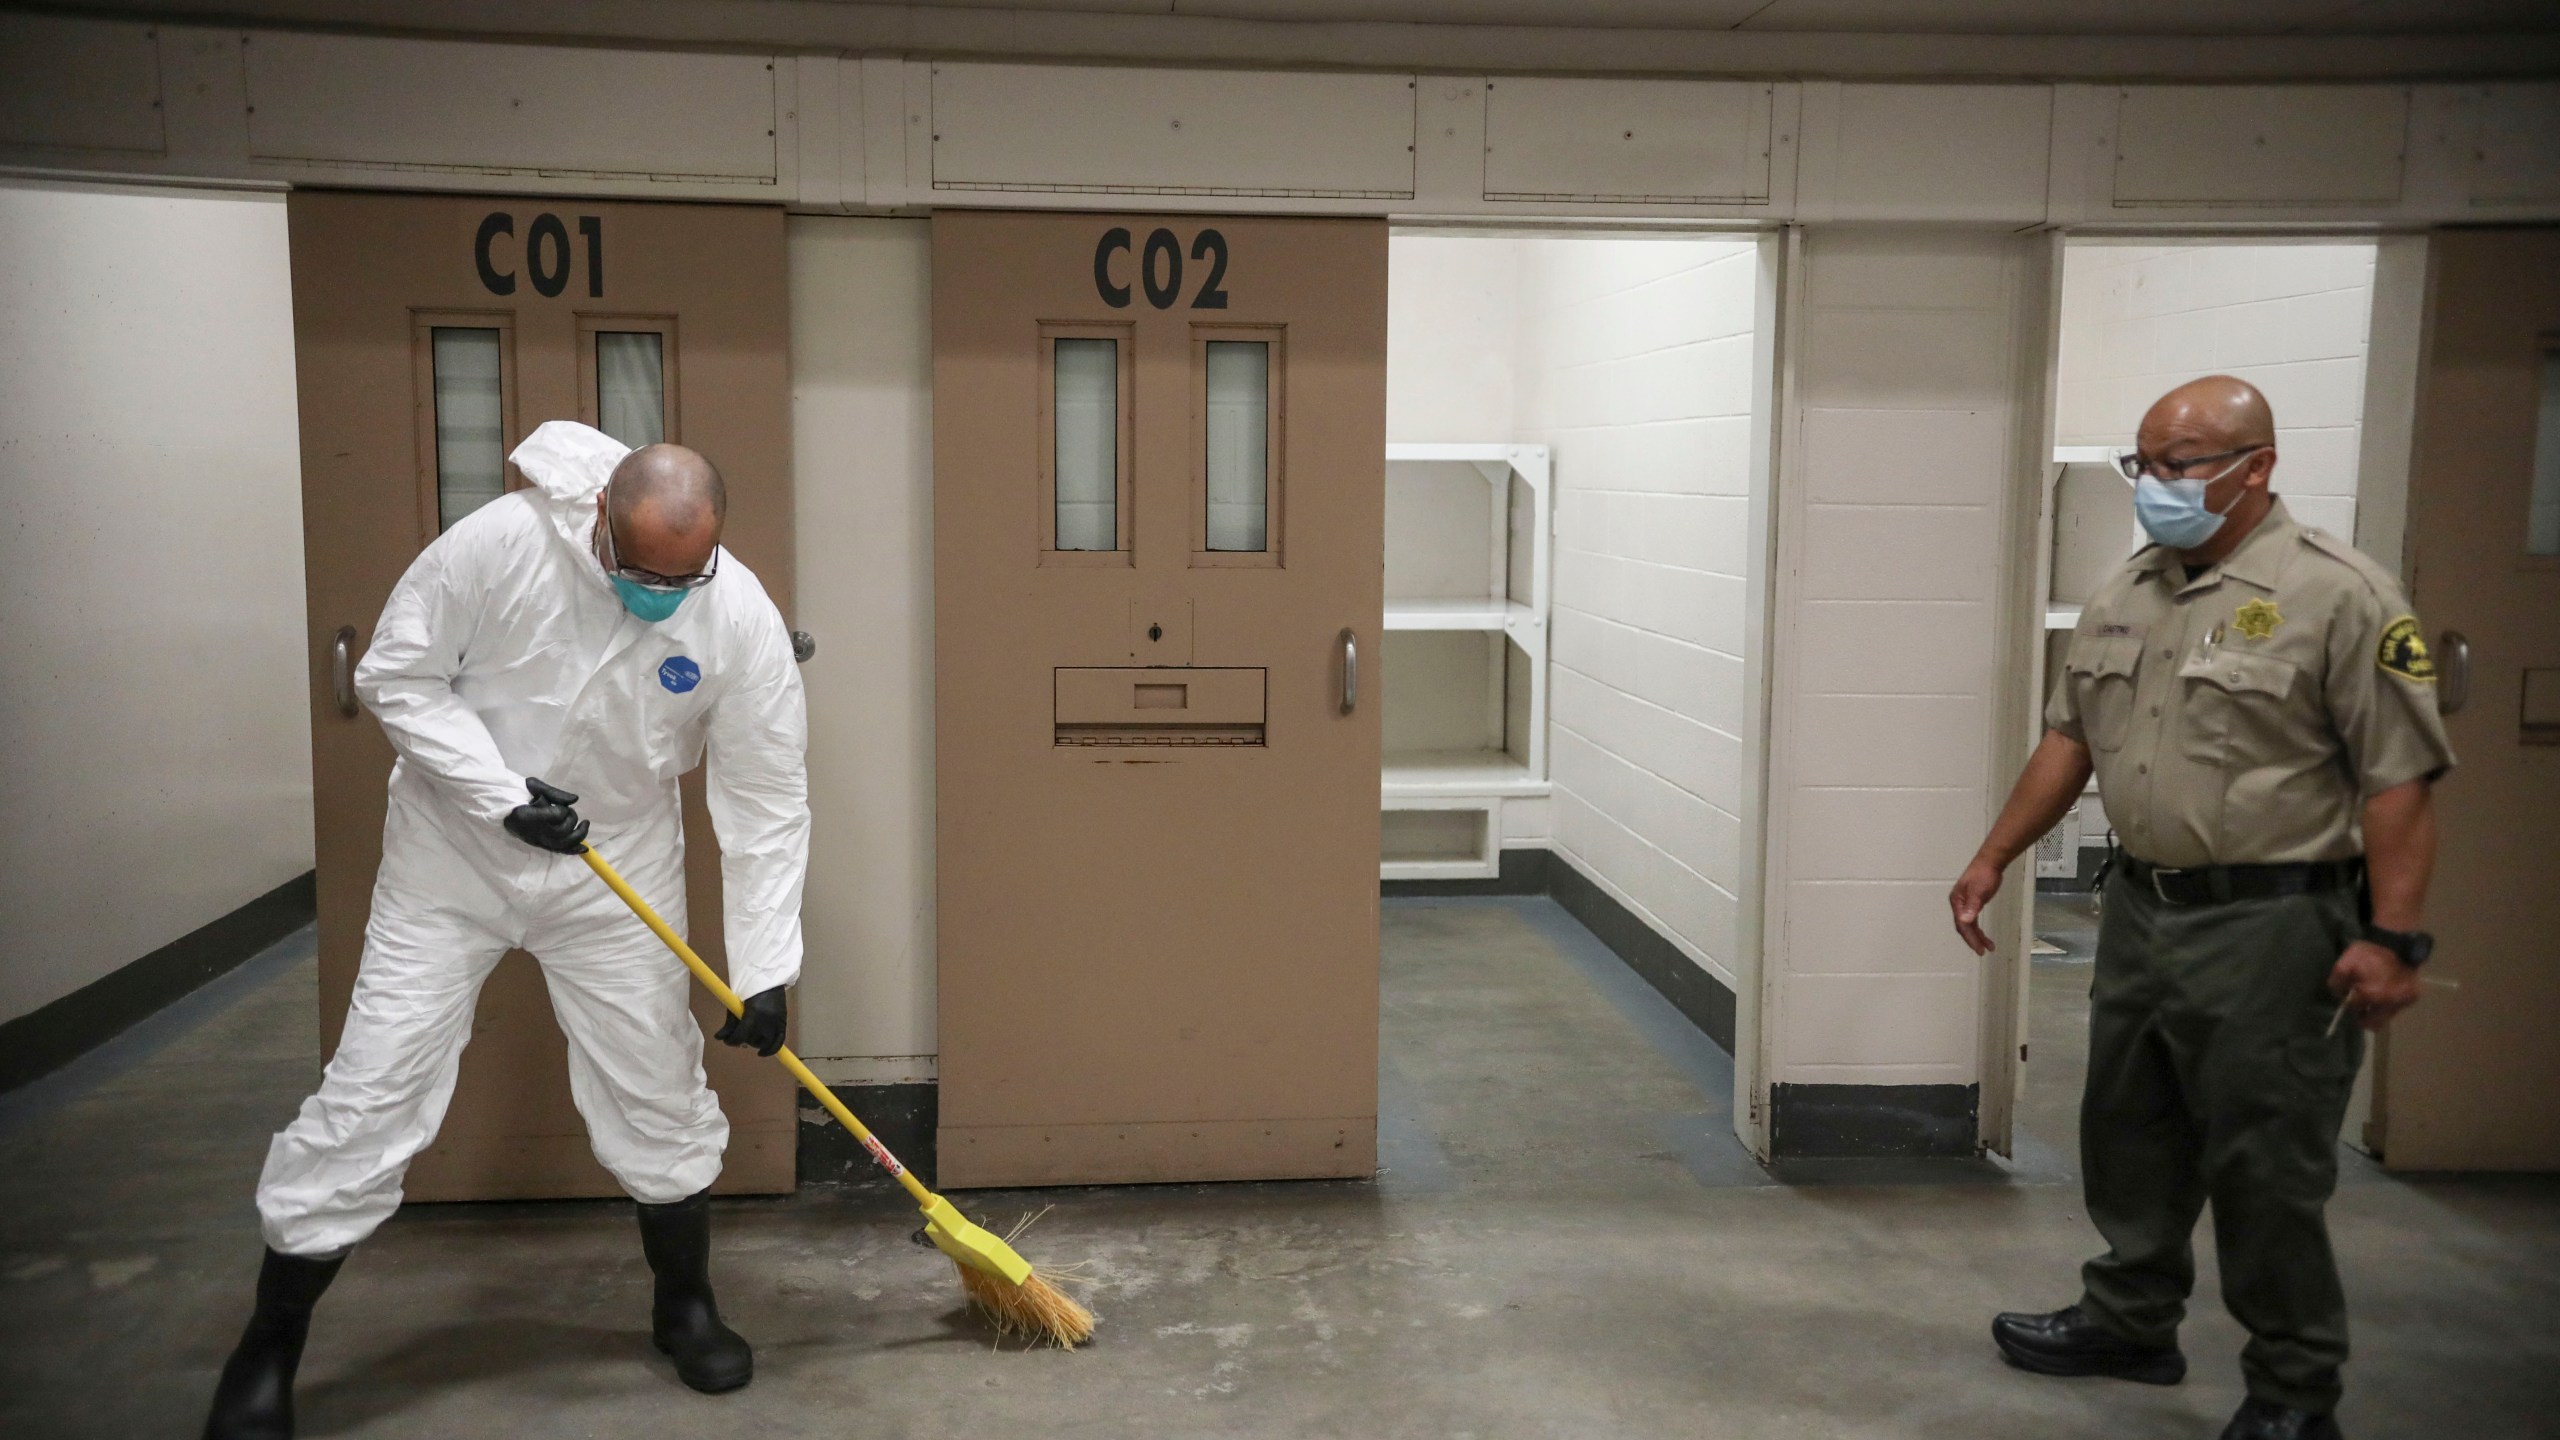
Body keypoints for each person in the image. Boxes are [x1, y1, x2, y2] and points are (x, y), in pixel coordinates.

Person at [203, 421, 810, 1439]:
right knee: (375, 1084)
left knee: (655, 1083)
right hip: (455, 861)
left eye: (685, 575)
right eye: (641, 572)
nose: (662, 593)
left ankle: (684, 1306)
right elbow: (396, 673)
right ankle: (267, 1347)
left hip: (614, 874)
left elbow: (764, 797)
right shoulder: (499, 544)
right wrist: (497, 795)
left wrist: (764, 968)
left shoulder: (734, 612)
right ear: (599, 529)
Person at [1949, 376, 2453, 1440]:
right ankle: (2132, 1318)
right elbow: (2069, 737)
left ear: (2255, 466)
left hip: (2274, 922)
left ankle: (2293, 1391)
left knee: (2264, 1164)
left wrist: (2391, 938)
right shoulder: (2129, 588)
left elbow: (2398, 779)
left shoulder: (2340, 596)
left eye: (2179, 464)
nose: (2155, 486)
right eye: (2145, 464)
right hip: (2142, 909)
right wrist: (1996, 853)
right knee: (2130, 1130)